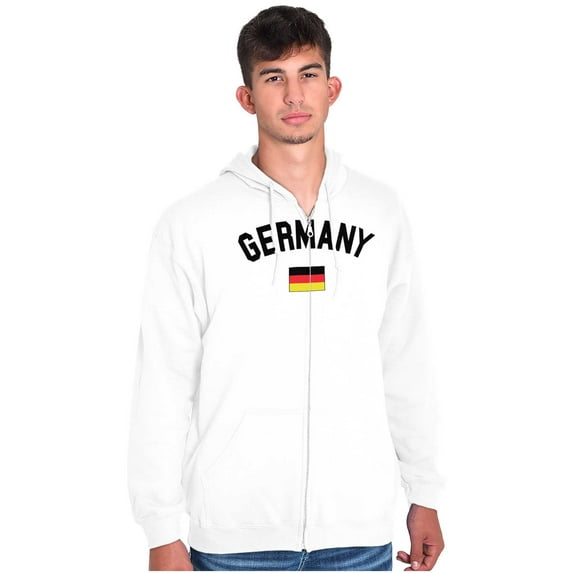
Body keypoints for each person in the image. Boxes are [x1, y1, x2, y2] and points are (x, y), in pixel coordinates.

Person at [128, 5, 445, 571]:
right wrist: (160, 529)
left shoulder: (380, 212)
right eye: (274, 77)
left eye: (308, 74)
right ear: (247, 97)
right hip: (234, 538)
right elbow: (164, 381)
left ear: (333, 88)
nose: (294, 95)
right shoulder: (192, 223)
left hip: (357, 533)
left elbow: (405, 359)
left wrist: (424, 492)